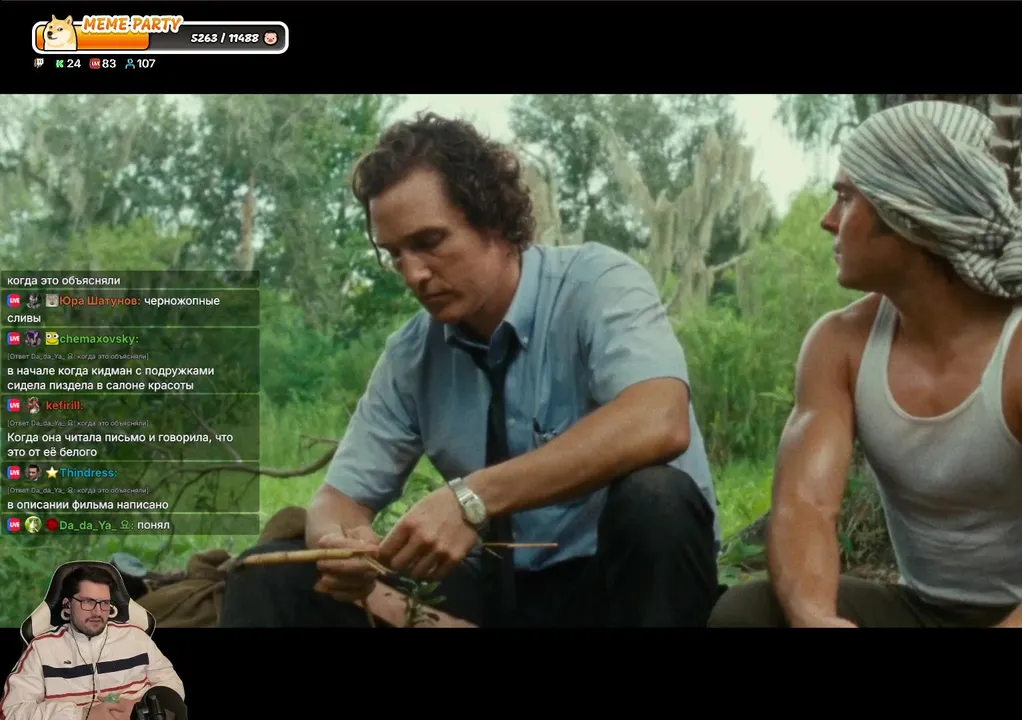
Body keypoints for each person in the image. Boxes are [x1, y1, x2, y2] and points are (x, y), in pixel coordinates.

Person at [219, 111, 721, 628]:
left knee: (657, 497)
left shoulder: (598, 285)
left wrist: (472, 498)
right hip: (499, 589)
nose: (413, 274)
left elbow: (658, 419)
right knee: (266, 575)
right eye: (395, 254)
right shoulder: (413, 355)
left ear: (494, 220)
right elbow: (339, 498)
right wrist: (339, 545)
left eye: (429, 242)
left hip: (617, 585)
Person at [708, 100, 1022, 628]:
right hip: (923, 612)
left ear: (909, 217)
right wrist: (814, 617)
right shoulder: (839, 344)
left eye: (846, 198)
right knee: (748, 615)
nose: (828, 220)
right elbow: (804, 508)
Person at [1, 565, 186, 719]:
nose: (98, 612)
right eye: (88, 602)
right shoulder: (41, 649)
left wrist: (140, 706)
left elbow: (172, 683)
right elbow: (11, 712)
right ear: (67, 605)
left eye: (104, 603)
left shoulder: (136, 637)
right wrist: (82, 714)